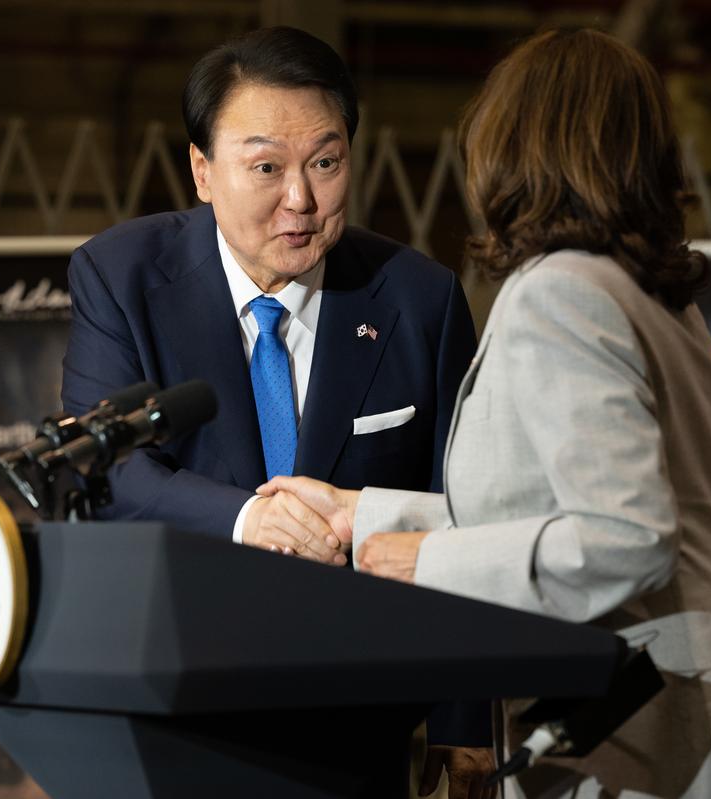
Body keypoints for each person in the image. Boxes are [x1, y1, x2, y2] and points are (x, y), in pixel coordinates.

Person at [261, 29, 711, 798]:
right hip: (674, 700)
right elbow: (544, 504)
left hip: (659, 726)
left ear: (515, 141)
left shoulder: (563, 294)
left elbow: (626, 535)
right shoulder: (645, 290)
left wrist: (426, 562)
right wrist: (367, 516)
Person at [60, 24, 489, 794]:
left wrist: (464, 725)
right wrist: (247, 520)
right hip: (175, 706)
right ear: (202, 170)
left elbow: (458, 510)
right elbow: (107, 471)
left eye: (325, 162)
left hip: (357, 722)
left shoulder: (418, 301)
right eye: (266, 167)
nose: (301, 199)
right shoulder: (120, 278)